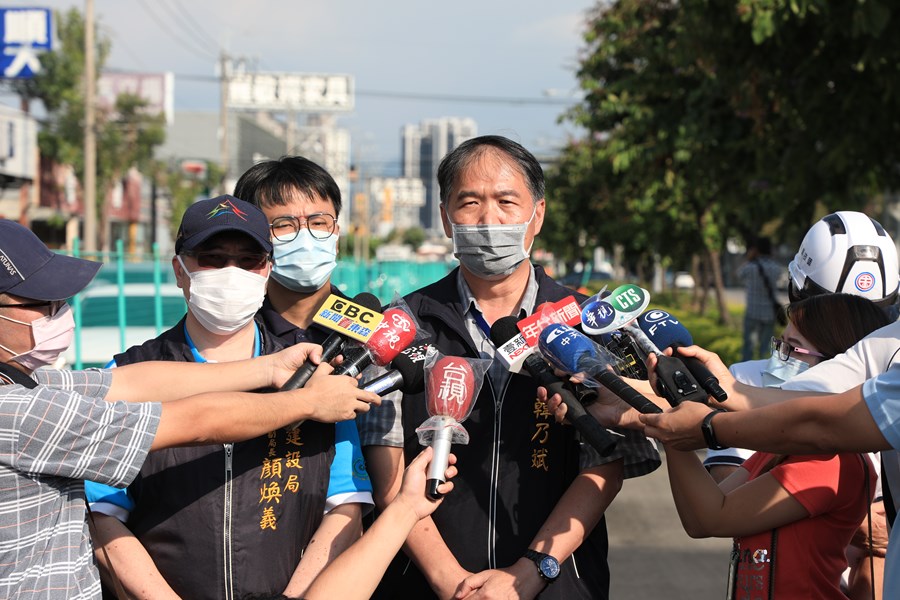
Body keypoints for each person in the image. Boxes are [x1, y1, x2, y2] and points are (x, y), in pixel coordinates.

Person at [0, 219, 380, 600]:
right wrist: (306, 402)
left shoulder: (32, 386)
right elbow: (199, 420)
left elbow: (130, 384)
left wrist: (269, 367)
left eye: (248, 261)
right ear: (179, 269)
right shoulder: (19, 413)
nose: (60, 313)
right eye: (40, 304)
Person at [358, 135, 660, 599]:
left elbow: (606, 465)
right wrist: (450, 582)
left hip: (553, 583)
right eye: (469, 203)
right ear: (444, 217)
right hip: (423, 584)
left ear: (536, 214)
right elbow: (388, 468)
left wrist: (531, 570)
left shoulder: (587, 323)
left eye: (506, 201)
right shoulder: (403, 323)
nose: (488, 219)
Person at [84, 195, 355, 600]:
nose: (232, 273)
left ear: (267, 270)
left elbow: (344, 507)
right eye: (212, 258)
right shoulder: (127, 375)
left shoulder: (316, 376)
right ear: (180, 270)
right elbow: (101, 515)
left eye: (248, 261)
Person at [660, 293, 883, 599]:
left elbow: (713, 517)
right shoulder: (779, 443)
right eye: (780, 345)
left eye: (792, 349)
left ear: (840, 365)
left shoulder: (830, 460)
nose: (780, 358)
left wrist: (675, 429)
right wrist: (673, 414)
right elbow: (705, 510)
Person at [233, 157, 375, 596]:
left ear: (336, 230)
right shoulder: (232, 339)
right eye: (284, 226)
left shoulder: (372, 330)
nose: (305, 237)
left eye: (318, 221)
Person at [706, 210, 900, 482]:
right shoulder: (744, 383)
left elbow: (719, 509)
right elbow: (724, 490)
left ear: (796, 290)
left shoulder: (746, 382)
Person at [739, 236, 783, 361]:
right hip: (769, 313)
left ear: (756, 249)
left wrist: (749, 257)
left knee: (748, 347)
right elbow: (778, 277)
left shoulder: (750, 267)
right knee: (765, 348)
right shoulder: (776, 268)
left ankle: (744, 374)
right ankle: (762, 374)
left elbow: (738, 274)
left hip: (752, 312)